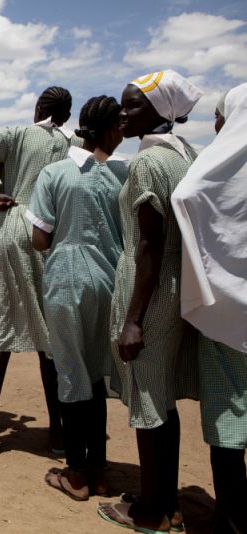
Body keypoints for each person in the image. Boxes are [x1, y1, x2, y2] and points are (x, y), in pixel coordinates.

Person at [97, 70, 203, 534]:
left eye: (134, 105)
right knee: (162, 399)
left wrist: (134, 319)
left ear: (163, 111)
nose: (123, 112)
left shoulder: (146, 163)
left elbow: (148, 245)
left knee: (146, 400)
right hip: (179, 285)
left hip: (150, 290)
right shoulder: (187, 156)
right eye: (123, 104)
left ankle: (150, 513)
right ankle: (166, 501)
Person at [0, 86, 81, 459]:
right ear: (67, 115)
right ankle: (58, 434)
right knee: (50, 337)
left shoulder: (17, 134)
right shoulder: (73, 143)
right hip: (47, 233)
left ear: (39, 108)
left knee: (1, 332)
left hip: (10, 227)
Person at [26, 96, 128, 501]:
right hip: (109, 281)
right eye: (119, 127)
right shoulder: (123, 174)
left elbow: (39, 239)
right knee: (98, 376)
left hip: (66, 282)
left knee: (71, 374)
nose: (123, 133)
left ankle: (77, 473)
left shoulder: (54, 173)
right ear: (108, 130)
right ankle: (100, 470)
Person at [171, 82, 247, 534]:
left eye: (220, 116)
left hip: (231, 314)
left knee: (228, 418)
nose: (216, 125)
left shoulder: (219, 166)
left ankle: (232, 517)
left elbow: (185, 196)